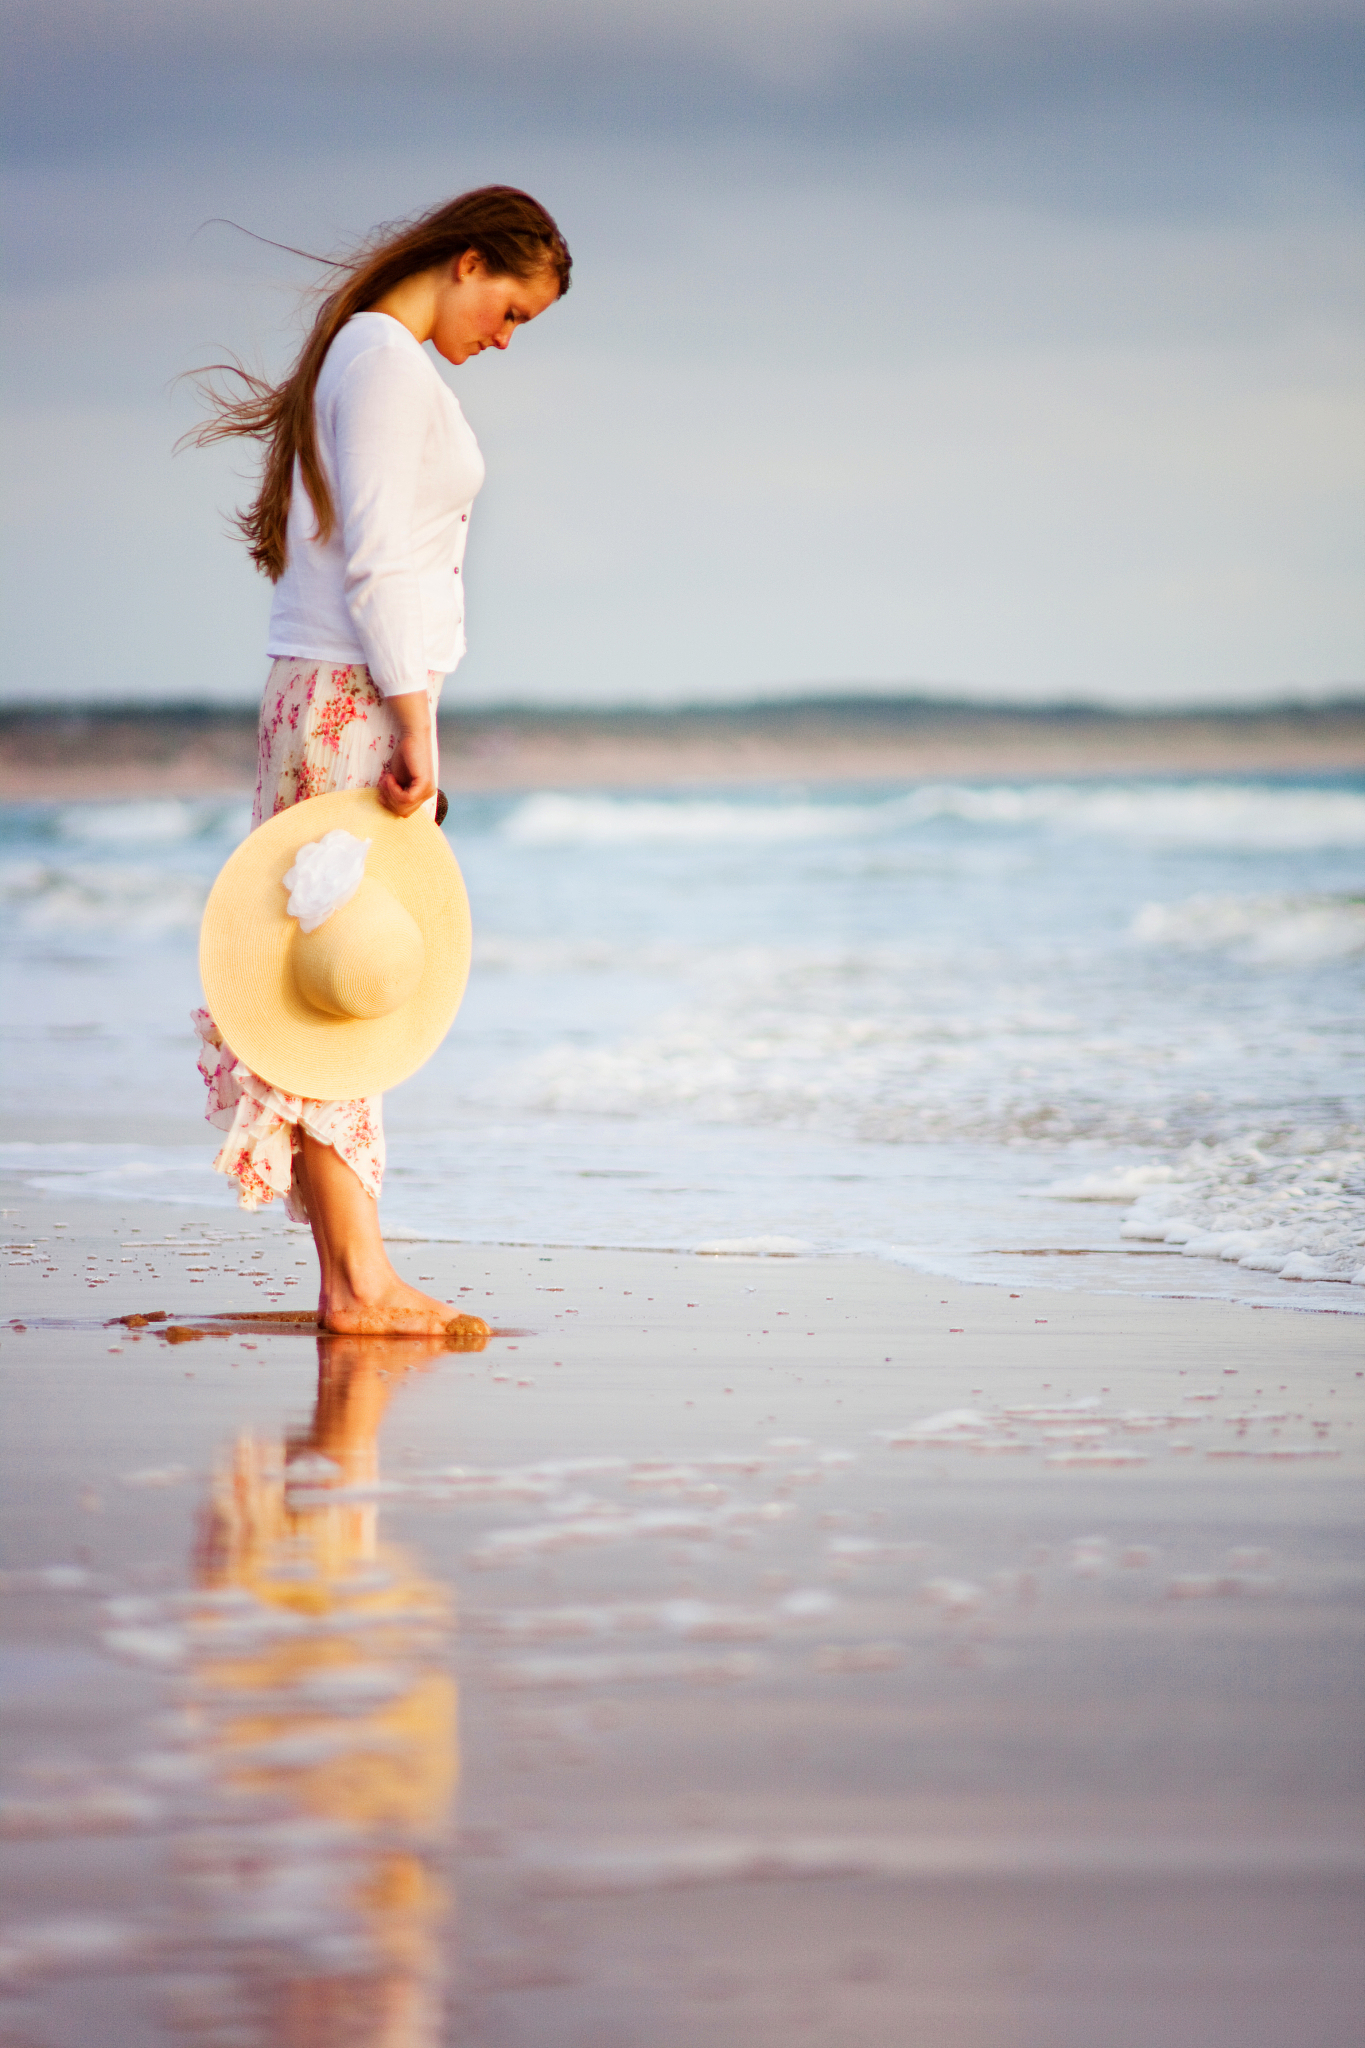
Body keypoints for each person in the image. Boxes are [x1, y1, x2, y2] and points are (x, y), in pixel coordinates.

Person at [187, 187, 570, 1333]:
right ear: (467, 263)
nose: (503, 338)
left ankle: (355, 1277)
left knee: (328, 979)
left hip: (334, 689)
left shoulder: (369, 356)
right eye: (511, 310)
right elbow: (383, 564)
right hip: (352, 696)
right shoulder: (389, 364)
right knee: (336, 981)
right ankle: (359, 1285)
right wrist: (418, 727)